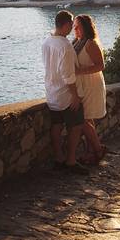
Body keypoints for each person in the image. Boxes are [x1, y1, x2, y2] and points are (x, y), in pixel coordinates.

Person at [42, 10, 88, 174]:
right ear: (67, 24)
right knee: (76, 126)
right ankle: (70, 160)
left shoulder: (47, 41)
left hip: (52, 93)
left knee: (56, 126)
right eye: (71, 25)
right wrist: (75, 96)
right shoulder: (65, 46)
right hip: (66, 95)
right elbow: (68, 76)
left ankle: (58, 158)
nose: (72, 29)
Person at [72, 14, 107, 163]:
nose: (75, 28)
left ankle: (98, 150)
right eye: (74, 25)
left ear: (85, 27)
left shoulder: (90, 44)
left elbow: (101, 65)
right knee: (88, 119)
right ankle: (91, 152)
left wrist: (79, 71)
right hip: (82, 85)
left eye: (78, 26)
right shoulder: (76, 42)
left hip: (92, 85)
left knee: (83, 119)